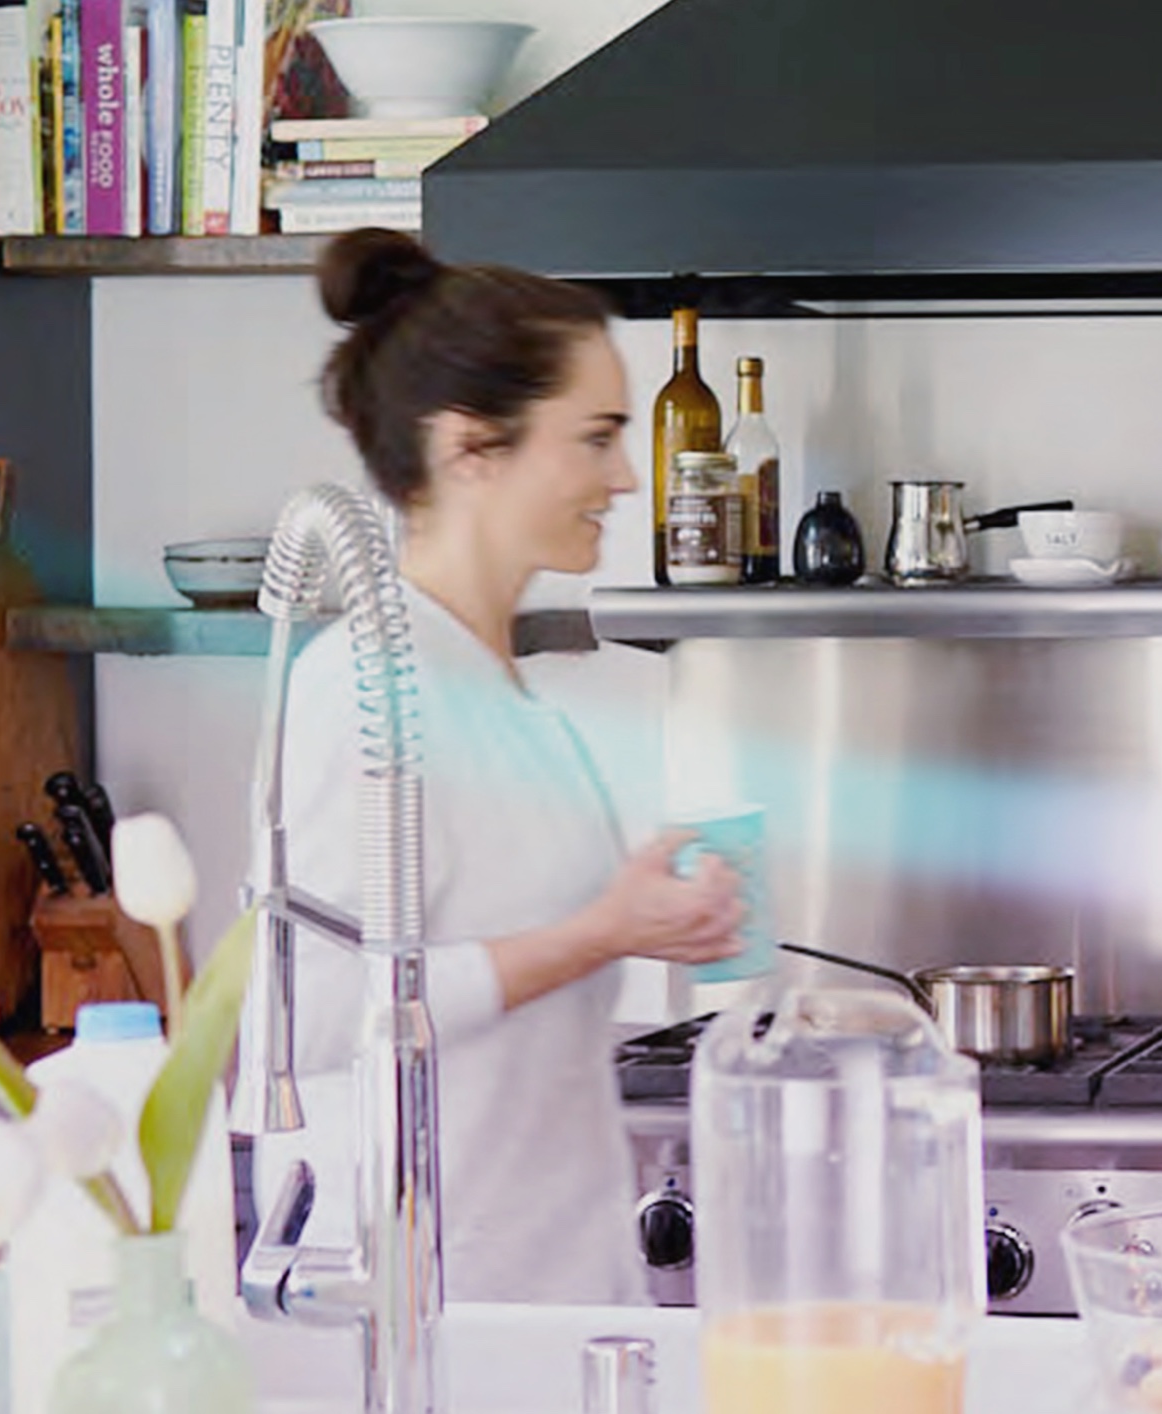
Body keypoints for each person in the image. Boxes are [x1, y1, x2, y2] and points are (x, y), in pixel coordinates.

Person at [261, 228, 745, 1303]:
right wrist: (599, 933)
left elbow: (516, 975)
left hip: (563, 1291)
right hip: (446, 1310)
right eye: (597, 437)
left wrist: (645, 915)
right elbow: (308, 1018)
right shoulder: (364, 686)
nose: (626, 476)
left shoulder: (517, 702)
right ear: (473, 446)